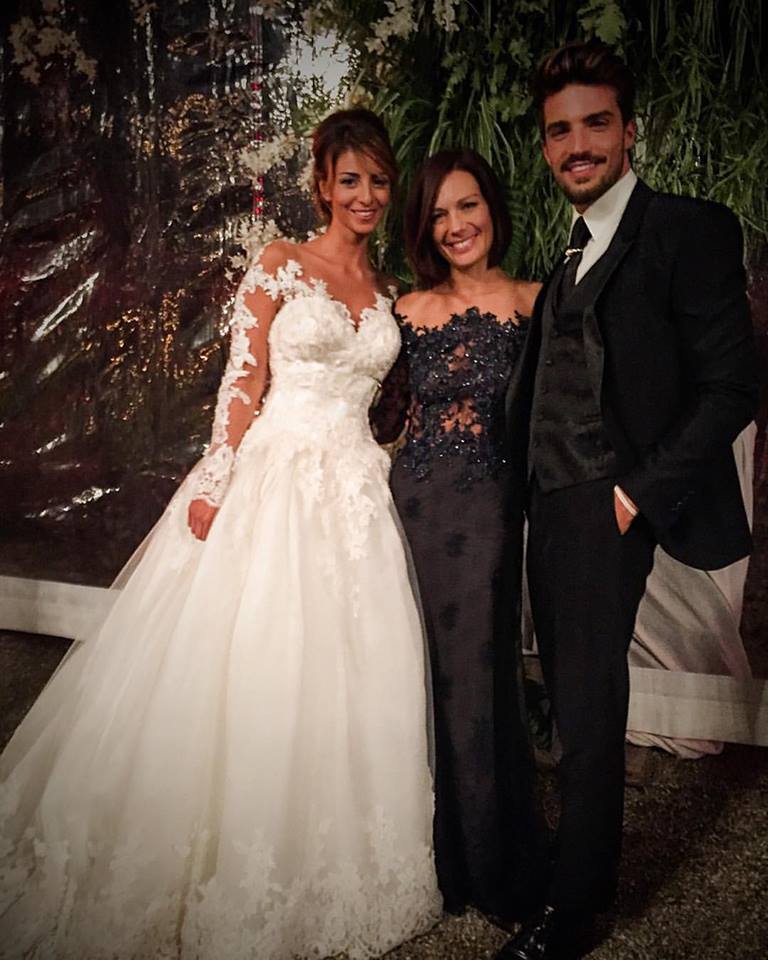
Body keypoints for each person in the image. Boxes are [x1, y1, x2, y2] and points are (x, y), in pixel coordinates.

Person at [0, 109, 441, 960]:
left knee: (355, 665)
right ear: (323, 184)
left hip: (356, 492)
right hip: (275, 477)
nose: (366, 195)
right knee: (259, 649)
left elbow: (390, 400)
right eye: (350, 179)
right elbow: (244, 378)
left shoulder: (391, 291)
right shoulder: (280, 263)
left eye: (380, 181)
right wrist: (215, 474)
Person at [496, 41, 758, 960]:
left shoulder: (685, 228)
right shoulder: (569, 250)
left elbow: (732, 386)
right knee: (575, 703)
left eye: (596, 124)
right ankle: (578, 870)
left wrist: (632, 496)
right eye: (559, 130)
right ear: (545, 145)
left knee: (588, 705)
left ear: (630, 130)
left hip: (607, 502)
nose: (577, 145)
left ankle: (574, 913)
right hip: (550, 500)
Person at [373, 148, 547, 926]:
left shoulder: (536, 301)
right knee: (415, 671)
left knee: (479, 673)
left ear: (492, 209)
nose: (455, 226)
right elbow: (378, 416)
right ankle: (434, 855)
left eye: (467, 205)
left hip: (490, 512)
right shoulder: (407, 310)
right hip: (412, 505)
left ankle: (492, 858)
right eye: (438, 213)